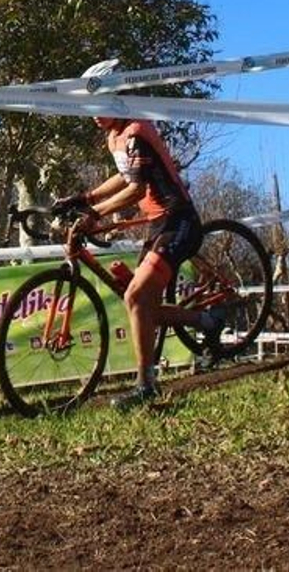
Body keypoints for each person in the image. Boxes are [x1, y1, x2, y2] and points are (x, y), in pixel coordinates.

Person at [59, 115, 223, 411]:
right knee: (140, 305)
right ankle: (209, 321)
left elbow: (135, 189)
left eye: (99, 105)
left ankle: (146, 386)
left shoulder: (135, 133)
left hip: (178, 220)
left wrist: (94, 213)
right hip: (157, 223)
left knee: (136, 297)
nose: (94, 114)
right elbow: (124, 176)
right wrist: (85, 197)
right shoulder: (114, 136)